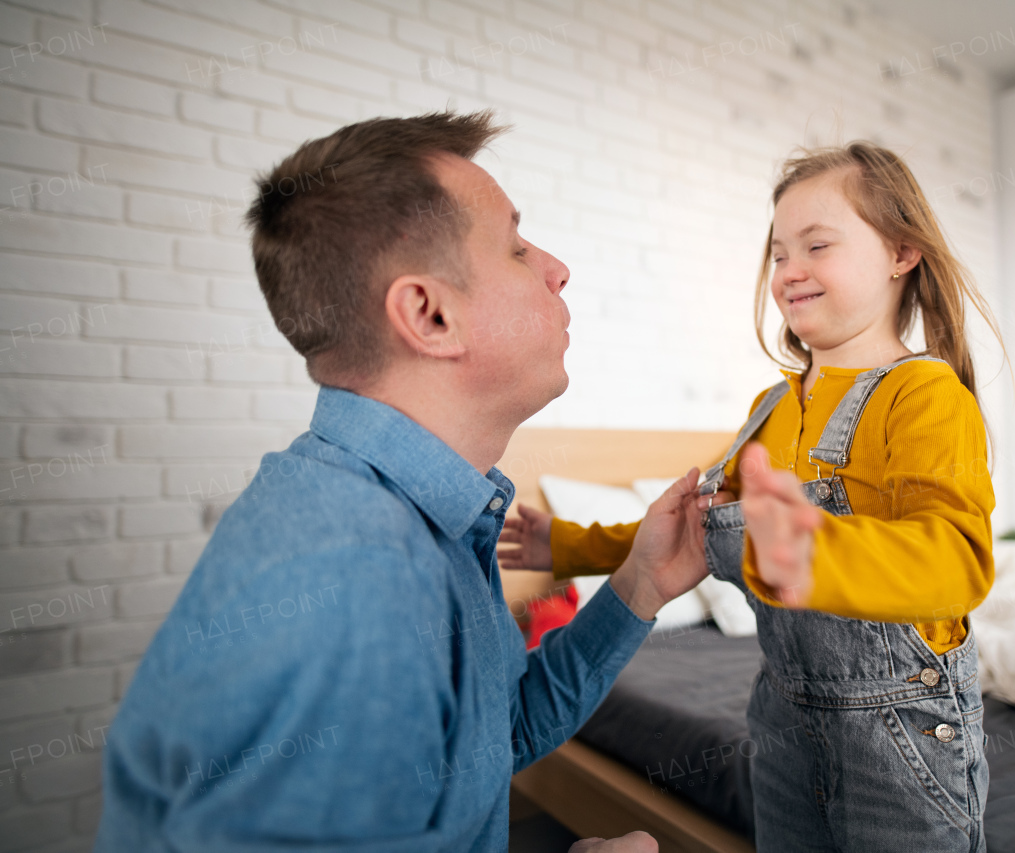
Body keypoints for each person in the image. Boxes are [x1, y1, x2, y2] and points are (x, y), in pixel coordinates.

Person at [93, 110, 718, 853]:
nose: (557, 267)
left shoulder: (420, 515)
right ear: (429, 314)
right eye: (516, 247)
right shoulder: (354, 575)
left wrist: (639, 584)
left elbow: (489, 736)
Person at [501, 142, 1004, 851]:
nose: (789, 270)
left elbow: (958, 561)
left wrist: (816, 550)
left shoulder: (922, 393)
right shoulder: (770, 408)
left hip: (901, 731)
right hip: (783, 719)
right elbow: (688, 533)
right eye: (777, 253)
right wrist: (573, 543)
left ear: (900, 252)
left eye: (816, 245)